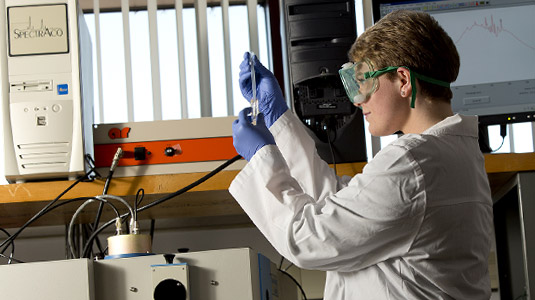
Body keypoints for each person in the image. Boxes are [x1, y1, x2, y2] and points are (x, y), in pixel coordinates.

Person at [230, 10, 493, 299]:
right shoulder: (451, 153)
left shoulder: (412, 163)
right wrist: (278, 117)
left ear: (403, 80)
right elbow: (339, 207)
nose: (358, 100)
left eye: (365, 82)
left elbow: (305, 239)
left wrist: (261, 155)